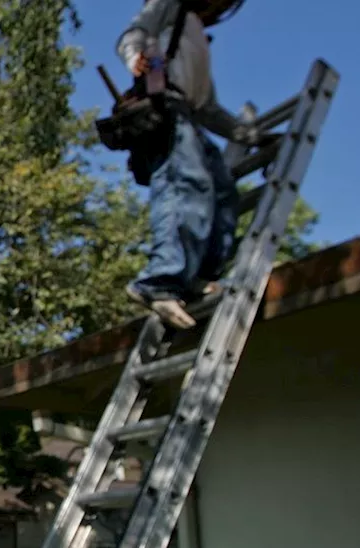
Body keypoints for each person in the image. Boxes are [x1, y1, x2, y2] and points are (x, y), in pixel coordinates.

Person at [117, 0, 259, 329]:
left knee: (223, 193)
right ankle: (159, 281)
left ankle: (198, 276)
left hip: (188, 115)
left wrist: (253, 136)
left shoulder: (197, 39)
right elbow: (132, 35)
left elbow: (208, 108)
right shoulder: (170, 6)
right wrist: (135, 57)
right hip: (165, 108)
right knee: (185, 184)